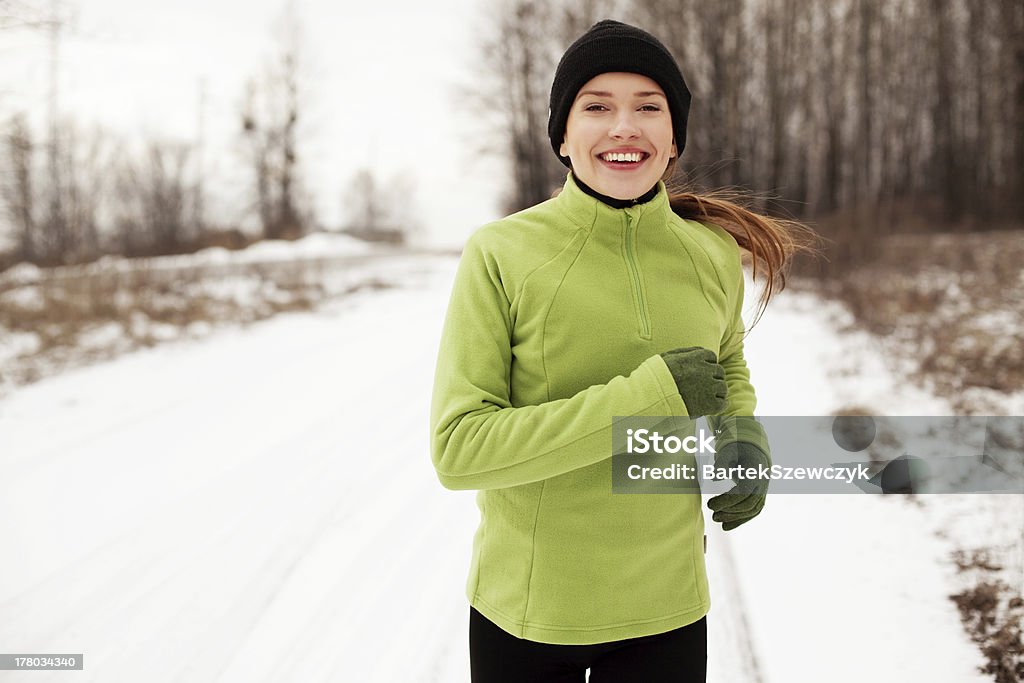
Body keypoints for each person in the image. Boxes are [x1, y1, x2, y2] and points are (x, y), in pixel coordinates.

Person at [430, 19, 812, 683]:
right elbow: (460, 448)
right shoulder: (502, 253)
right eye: (597, 107)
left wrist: (744, 437)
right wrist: (647, 395)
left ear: (672, 139)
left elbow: (724, 366)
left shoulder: (711, 253)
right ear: (563, 136)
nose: (623, 127)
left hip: (667, 609)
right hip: (529, 612)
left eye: (648, 107)